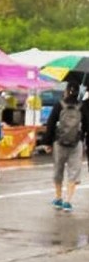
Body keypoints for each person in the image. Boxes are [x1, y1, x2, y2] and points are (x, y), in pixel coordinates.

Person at [41, 82, 87, 212]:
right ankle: (68, 201)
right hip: (76, 143)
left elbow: (50, 124)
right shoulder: (82, 107)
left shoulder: (59, 105)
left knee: (58, 170)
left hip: (59, 142)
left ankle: (58, 198)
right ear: (78, 92)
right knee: (74, 171)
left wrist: (47, 143)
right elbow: (87, 126)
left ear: (66, 91)